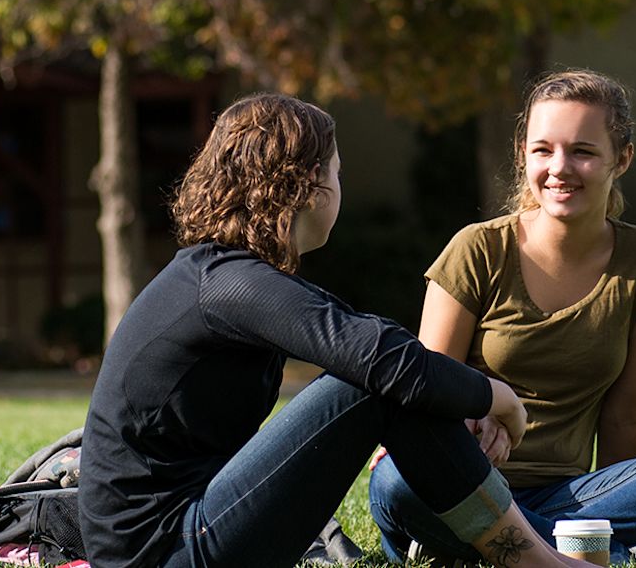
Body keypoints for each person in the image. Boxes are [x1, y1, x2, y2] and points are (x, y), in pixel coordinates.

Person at [78, 93, 596, 568]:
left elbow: (372, 342)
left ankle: (530, 553)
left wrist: (454, 397)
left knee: (383, 373)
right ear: (309, 184)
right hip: (164, 551)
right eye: (337, 172)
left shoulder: (227, 277)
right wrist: (496, 398)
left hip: (181, 536)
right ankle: (539, 562)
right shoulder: (225, 283)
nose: (339, 185)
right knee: (372, 384)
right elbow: (378, 356)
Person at [367, 71, 636, 564]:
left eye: (582, 151)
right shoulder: (478, 249)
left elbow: (626, 413)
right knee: (396, 480)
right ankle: (602, 550)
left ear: (622, 158)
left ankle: (529, 544)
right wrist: (476, 413)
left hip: (573, 495)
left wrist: (618, 499)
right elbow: (425, 396)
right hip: (461, 483)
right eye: (543, 150)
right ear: (522, 154)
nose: (560, 168)